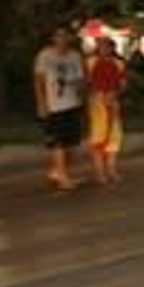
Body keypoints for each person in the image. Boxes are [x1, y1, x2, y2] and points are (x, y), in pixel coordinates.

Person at [34, 26, 87, 191]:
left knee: (71, 143)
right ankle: (63, 177)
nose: (62, 38)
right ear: (53, 38)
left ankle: (58, 172)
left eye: (65, 35)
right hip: (54, 105)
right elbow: (38, 81)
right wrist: (41, 103)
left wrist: (81, 96)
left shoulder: (74, 56)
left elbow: (80, 79)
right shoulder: (45, 55)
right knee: (58, 142)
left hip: (72, 103)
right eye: (58, 35)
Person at [85, 35, 126, 185]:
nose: (104, 49)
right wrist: (98, 95)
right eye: (101, 46)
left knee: (114, 137)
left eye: (107, 46)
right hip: (97, 103)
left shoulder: (118, 64)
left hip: (113, 102)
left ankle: (111, 169)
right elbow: (86, 83)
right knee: (98, 137)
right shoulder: (90, 62)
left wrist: (114, 94)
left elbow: (122, 84)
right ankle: (99, 172)